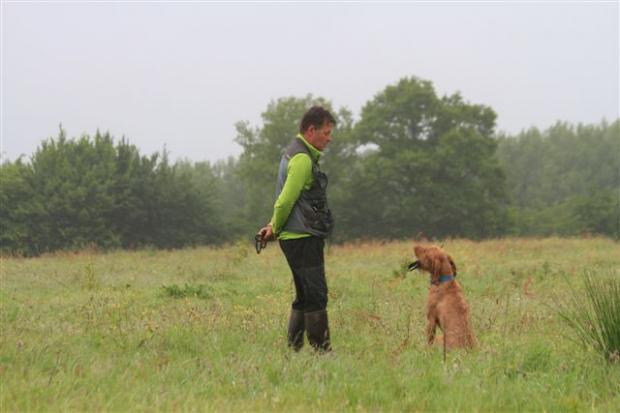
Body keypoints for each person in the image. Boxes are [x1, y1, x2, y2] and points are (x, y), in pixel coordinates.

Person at [257, 106, 336, 352]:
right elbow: (285, 199)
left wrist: (273, 227)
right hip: (302, 237)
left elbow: (285, 198)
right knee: (316, 294)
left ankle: (293, 349)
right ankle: (321, 352)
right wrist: (275, 227)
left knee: (304, 294)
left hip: (295, 237)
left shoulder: (293, 153)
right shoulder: (302, 159)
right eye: (326, 132)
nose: (329, 138)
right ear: (311, 130)